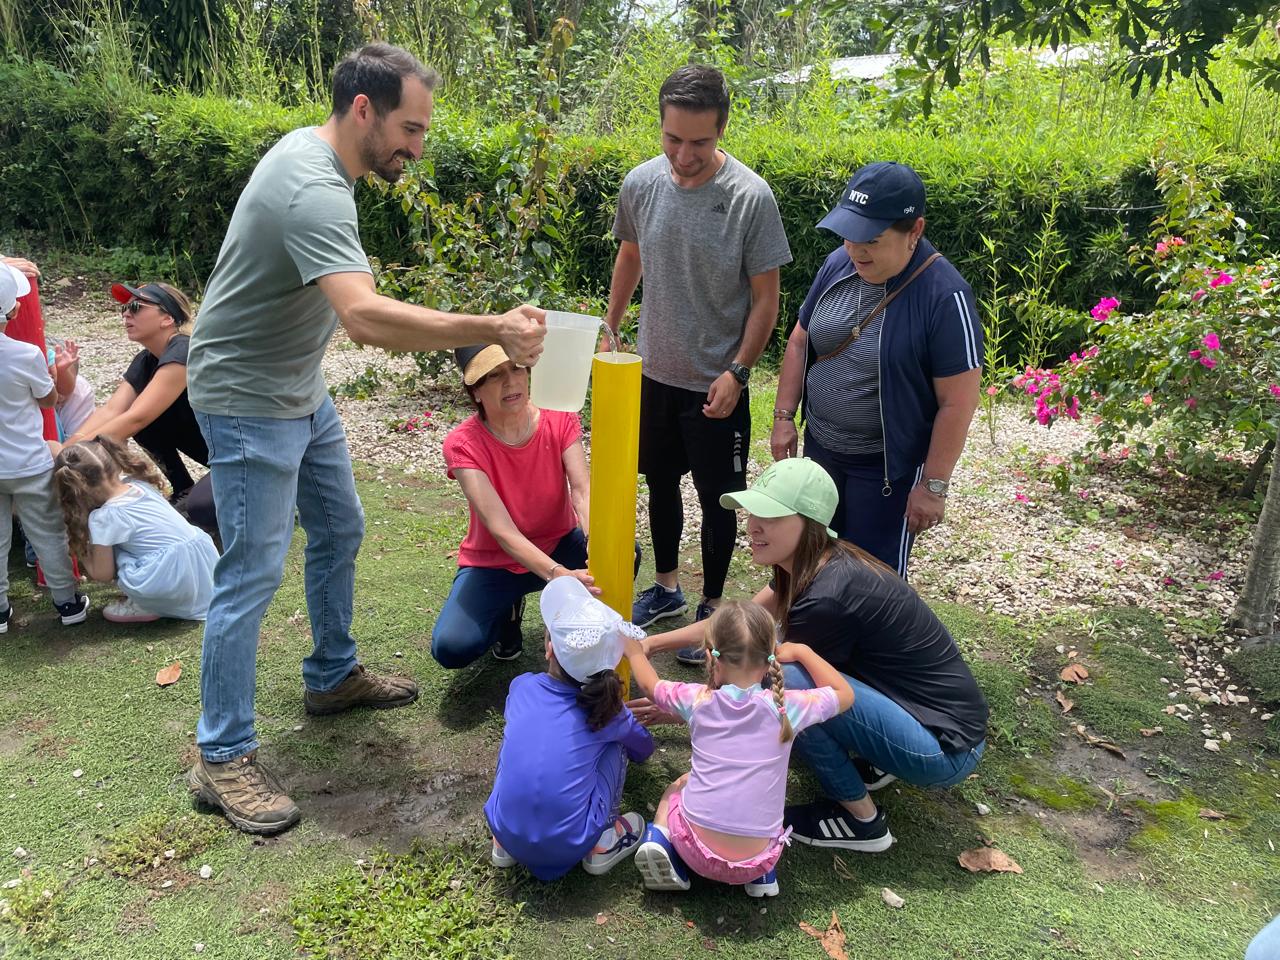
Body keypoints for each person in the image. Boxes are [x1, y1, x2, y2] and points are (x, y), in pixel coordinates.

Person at [184, 42, 547, 836]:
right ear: (362, 110)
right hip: (247, 396)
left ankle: (331, 675)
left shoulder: (325, 164)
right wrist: (491, 326)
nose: (416, 147)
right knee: (251, 571)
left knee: (340, 525)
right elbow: (364, 317)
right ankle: (222, 753)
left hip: (295, 386)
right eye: (409, 129)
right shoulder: (313, 185)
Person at [639, 458, 988, 852]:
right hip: (932, 720)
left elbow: (756, 684)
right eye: (752, 512)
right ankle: (877, 759)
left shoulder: (827, 598)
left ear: (809, 522)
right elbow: (735, 626)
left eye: (770, 516)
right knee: (794, 675)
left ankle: (863, 822)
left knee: (790, 678)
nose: (752, 526)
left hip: (943, 748)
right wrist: (651, 644)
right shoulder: (816, 561)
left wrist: (686, 707)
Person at [604, 64, 791, 664]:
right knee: (658, 482)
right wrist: (611, 325)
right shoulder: (641, 184)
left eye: (700, 143)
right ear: (660, 125)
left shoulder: (750, 198)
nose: (684, 155)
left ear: (722, 131)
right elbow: (630, 255)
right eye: (673, 139)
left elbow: (766, 300)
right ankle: (665, 588)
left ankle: (711, 606)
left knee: (718, 499)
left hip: (719, 382)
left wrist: (739, 372)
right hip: (654, 373)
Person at [770, 161, 982, 577]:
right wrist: (783, 417)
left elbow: (958, 402)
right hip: (821, 450)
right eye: (848, 235)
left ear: (914, 231)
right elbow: (799, 340)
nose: (855, 250)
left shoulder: (945, 297)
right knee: (806, 564)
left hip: (884, 469)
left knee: (870, 579)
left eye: (871, 239)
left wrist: (934, 485)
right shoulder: (838, 263)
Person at [623, 600, 851, 897]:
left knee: (680, 784)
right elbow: (844, 693)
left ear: (710, 656)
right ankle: (762, 877)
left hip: (696, 852)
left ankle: (660, 839)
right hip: (759, 858)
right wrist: (802, 652)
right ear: (770, 661)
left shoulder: (697, 699)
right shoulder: (787, 707)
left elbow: (650, 685)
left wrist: (633, 650)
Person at [430, 344, 594, 667]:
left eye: (516, 368)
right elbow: (502, 531)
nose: (510, 382)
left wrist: (596, 542)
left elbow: (582, 491)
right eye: (494, 375)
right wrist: (558, 574)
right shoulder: (462, 444)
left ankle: (567, 623)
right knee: (451, 647)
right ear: (476, 392)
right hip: (494, 563)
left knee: (623, 554)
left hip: (559, 545)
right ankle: (507, 614)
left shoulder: (559, 416)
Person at [486, 576, 653, 881]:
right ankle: (604, 841)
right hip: (570, 844)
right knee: (616, 744)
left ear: (549, 649)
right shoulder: (608, 712)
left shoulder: (522, 687)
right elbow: (643, 749)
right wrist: (625, 725)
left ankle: (503, 844)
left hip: (505, 829)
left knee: (521, 739)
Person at [67, 282, 216, 532]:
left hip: (241, 454)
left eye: (136, 307)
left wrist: (73, 458)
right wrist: (68, 447)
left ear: (167, 318)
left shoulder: (184, 350)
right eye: (124, 308)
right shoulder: (147, 359)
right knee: (139, 423)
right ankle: (184, 488)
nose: (126, 314)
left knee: (199, 510)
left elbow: (137, 417)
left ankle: (258, 498)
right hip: (213, 451)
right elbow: (111, 411)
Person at [0, 265, 89, 634]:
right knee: (48, 534)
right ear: (14, 310)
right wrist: (51, 379)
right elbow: (48, 401)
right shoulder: (26, 354)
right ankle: (67, 603)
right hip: (29, 463)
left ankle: (0, 611)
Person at [52, 437, 219, 623]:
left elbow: (102, 574)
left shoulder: (104, 517)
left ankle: (151, 604)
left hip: (170, 581)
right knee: (129, 544)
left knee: (113, 551)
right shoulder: (140, 485)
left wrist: (79, 546)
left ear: (76, 488)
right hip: (203, 567)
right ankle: (177, 598)